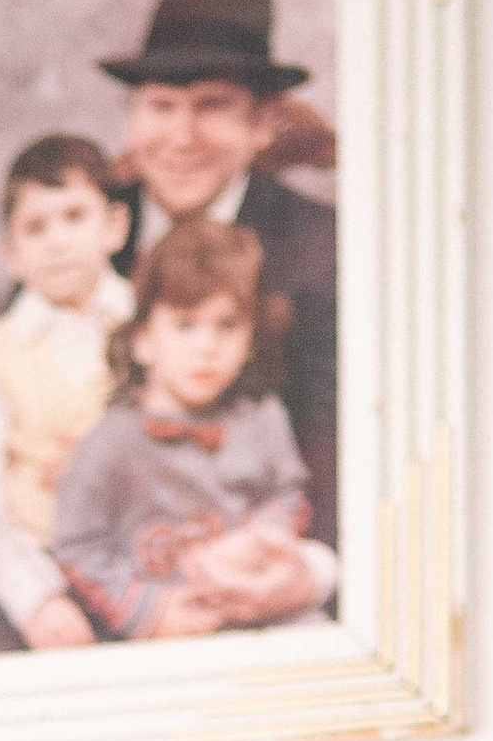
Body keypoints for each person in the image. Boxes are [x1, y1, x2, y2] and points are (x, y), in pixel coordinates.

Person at [99, 0, 339, 547]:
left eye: (211, 106)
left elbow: (337, 461)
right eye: (160, 106)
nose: (181, 138)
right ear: (132, 116)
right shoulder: (85, 235)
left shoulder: (320, 253)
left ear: (265, 124)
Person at [54, 218, 335, 641]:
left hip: (255, 603)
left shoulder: (260, 415)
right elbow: (79, 548)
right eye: (186, 325)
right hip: (165, 620)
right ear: (143, 341)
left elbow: (286, 493)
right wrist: (149, 612)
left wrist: (261, 539)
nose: (207, 346)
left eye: (227, 325)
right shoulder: (111, 441)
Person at [0, 133, 135, 656]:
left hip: (142, 554)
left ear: (115, 227)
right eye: (36, 227)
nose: (57, 241)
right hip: (39, 558)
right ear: (11, 255)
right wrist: (35, 599)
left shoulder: (150, 326)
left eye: (75, 217)